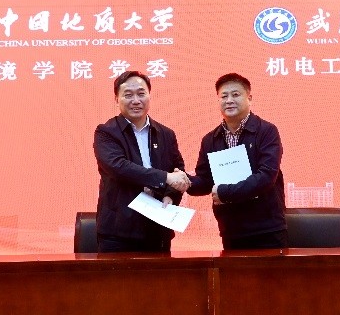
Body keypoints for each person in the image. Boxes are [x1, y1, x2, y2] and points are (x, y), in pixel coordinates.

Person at [93, 70, 191, 253]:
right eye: (128, 95)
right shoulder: (106, 132)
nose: (136, 100)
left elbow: (178, 169)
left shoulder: (166, 134)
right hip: (118, 232)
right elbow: (119, 167)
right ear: (117, 99)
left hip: (157, 229)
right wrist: (165, 177)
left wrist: (170, 195)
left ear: (149, 96)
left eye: (141, 93)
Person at [187, 73, 287, 250]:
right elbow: (205, 181)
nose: (229, 100)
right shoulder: (210, 139)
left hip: (267, 228)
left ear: (249, 98)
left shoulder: (267, 131)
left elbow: (266, 177)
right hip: (231, 229)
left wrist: (225, 192)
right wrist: (184, 181)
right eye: (224, 96)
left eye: (235, 94)